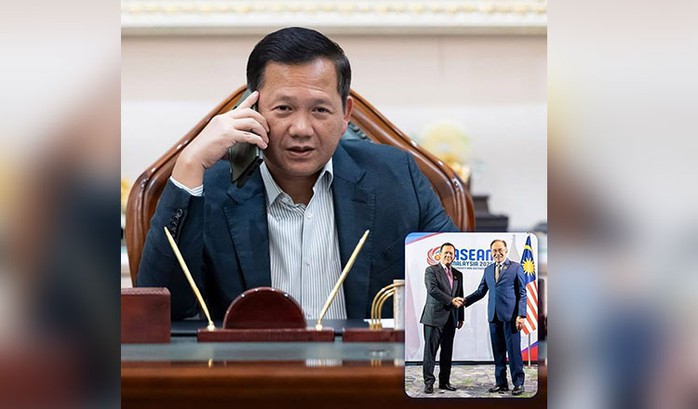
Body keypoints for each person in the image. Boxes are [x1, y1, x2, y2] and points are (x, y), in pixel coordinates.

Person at [136, 27, 458, 321]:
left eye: (319, 110)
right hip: (249, 367)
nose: (301, 129)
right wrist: (189, 164)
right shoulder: (211, 191)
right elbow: (159, 314)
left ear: (345, 114)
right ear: (253, 110)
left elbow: (457, 283)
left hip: (366, 366)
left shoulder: (395, 178)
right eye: (283, 108)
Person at [464, 239, 527, 395]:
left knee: (513, 352)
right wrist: (465, 301)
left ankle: (518, 383)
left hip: (511, 318)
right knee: (498, 352)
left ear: (506, 251)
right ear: (491, 252)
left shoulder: (516, 267)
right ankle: (501, 383)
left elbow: (522, 293)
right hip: (493, 317)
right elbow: (480, 291)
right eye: (494, 251)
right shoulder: (488, 270)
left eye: (500, 250)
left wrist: (521, 315)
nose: (497, 253)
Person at [419, 243, 464, 394]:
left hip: (451, 318)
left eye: (451, 253)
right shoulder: (431, 270)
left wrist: (461, 316)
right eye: (446, 253)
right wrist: (450, 300)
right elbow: (432, 289)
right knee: (430, 352)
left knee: (447, 352)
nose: (448, 255)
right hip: (433, 317)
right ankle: (428, 383)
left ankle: (444, 382)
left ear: (454, 256)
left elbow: (460, 295)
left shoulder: (458, 274)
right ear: (440, 254)